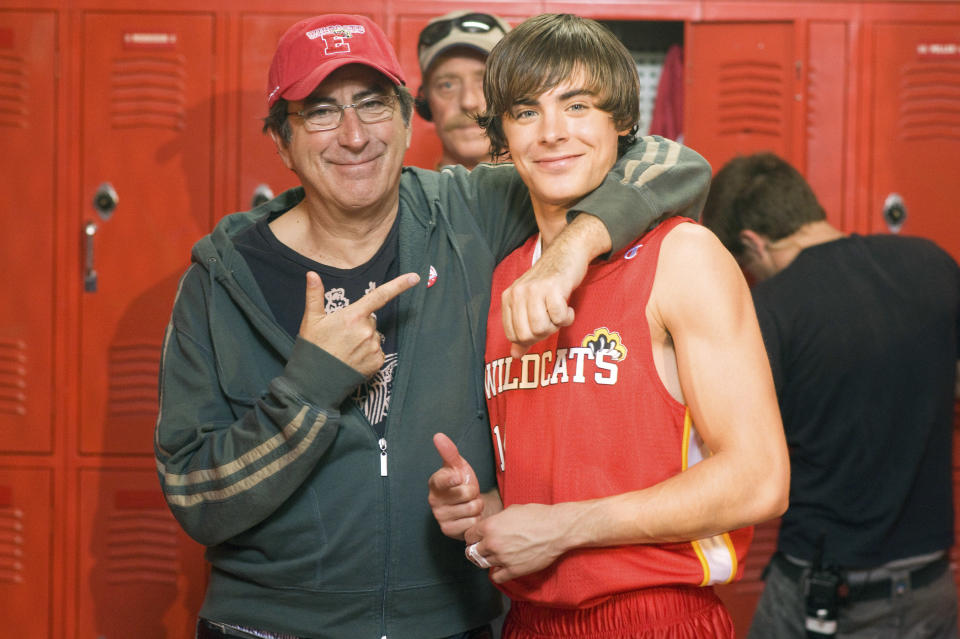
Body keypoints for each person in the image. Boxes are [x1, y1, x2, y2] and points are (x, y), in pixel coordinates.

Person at [154, 13, 715, 639]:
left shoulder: (471, 210)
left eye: (372, 105)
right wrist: (310, 386)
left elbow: (670, 160)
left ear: (404, 118)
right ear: (282, 142)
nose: (354, 135)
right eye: (319, 112)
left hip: (450, 622)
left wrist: (571, 249)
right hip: (269, 627)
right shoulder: (226, 278)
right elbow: (197, 497)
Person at [427, 14, 790, 639]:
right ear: (501, 137)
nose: (552, 133)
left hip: (658, 615)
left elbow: (759, 480)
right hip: (530, 620)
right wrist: (486, 510)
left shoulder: (682, 257)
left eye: (577, 105)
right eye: (525, 112)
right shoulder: (502, 279)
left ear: (621, 123)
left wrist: (564, 527)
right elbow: (569, 481)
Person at [700, 152, 960, 638]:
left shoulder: (769, 310)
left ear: (752, 243)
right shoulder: (933, 262)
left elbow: (733, 453)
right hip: (930, 589)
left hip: (821, 598)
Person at [415, 11, 511, 168]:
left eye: (486, 82)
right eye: (447, 85)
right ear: (425, 102)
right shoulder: (405, 193)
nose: (468, 102)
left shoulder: (551, 191)